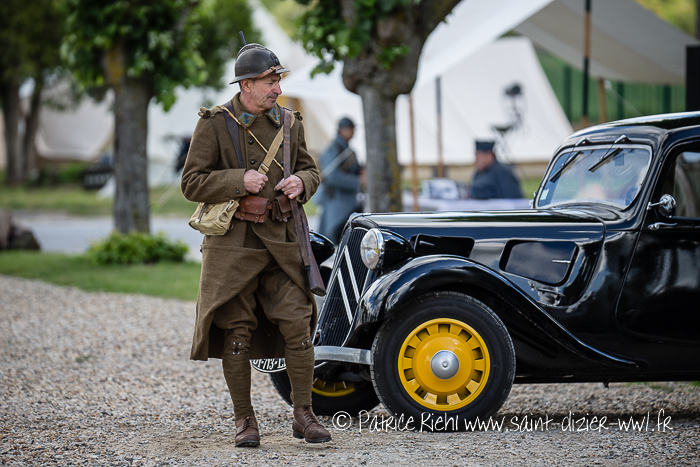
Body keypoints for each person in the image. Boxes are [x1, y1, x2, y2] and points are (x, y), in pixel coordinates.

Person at [180, 43, 331, 447]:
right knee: (236, 332)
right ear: (246, 85)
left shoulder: (290, 122)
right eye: (269, 81)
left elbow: (310, 169)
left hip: (282, 242)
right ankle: (244, 419)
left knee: (299, 323)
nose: (277, 88)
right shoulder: (215, 123)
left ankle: (304, 413)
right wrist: (237, 180)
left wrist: (302, 183)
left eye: (278, 80)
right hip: (234, 246)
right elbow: (191, 182)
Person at [316, 117, 363, 244]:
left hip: (349, 200)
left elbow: (356, 169)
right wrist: (358, 181)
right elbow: (333, 177)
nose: (353, 132)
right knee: (332, 236)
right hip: (336, 200)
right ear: (342, 130)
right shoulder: (332, 150)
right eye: (350, 129)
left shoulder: (349, 151)